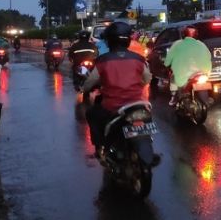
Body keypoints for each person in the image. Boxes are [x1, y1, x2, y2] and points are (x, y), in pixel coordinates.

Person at [83, 22, 152, 159]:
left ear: (109, 41)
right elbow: (147, 78)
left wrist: (87, 88)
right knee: (147, 118)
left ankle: (100, 147)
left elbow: (90, 82)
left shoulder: (102, 61)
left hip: (113, 106)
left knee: (91, 113)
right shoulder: (138, 59)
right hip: (138, 103)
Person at [163, 25, 212, 106]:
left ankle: (174, 97)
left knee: (172, 77)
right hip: (201, 73)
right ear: (196, 35)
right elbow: (209, 57)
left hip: (184, 74)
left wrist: (166, 65)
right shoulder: (201, 44)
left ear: (183, 34)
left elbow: (168, 61)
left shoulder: (177, 44)